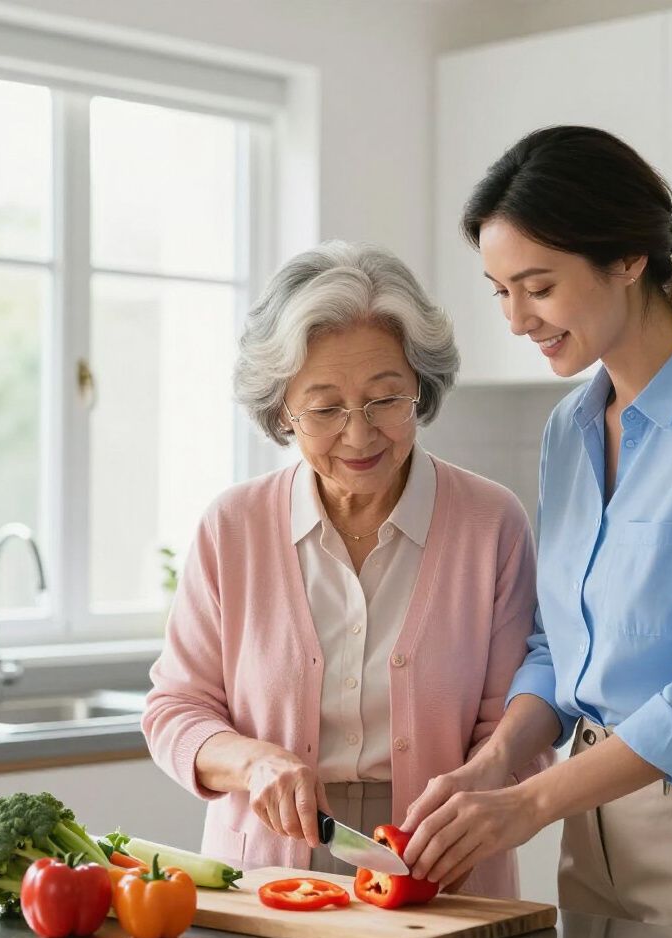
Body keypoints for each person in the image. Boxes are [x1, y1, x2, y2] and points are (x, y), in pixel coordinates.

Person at [401, 126, 672, 938]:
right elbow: (560, 647)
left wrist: (528, 801)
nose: (518, 317)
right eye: (499, 290)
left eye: (538, 286)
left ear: (628, 260)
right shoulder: (569, 428)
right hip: (589, 825)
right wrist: (494, 765)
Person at [143, 240, 549, 897]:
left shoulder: (491, 524)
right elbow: (174, 710)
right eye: (326, 408)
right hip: (266, 869)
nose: (360, 436)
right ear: (282, 412)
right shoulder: (233, 527)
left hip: (441, 870)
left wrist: (474, 812)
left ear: (421, 386)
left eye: (387, 399)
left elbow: (517, 732)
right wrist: (253, 763)